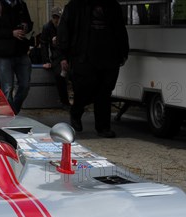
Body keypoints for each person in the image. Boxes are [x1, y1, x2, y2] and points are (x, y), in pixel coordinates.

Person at [57, 0, 129, 138]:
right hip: (83, 57)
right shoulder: (75, 6)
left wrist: (123, 52)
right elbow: (64, 30)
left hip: (109, 56)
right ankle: (76, 112)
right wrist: (62, 56)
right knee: (84, 88)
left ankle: (103, 127)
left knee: (105, 92)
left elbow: (120, 29)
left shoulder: (112, 6)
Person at [0, 0, 34, 115]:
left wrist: (26, 27)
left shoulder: (21, 5)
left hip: (21, 52)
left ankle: (13, 111)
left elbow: (29, 23)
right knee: (7, 88)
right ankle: (9, 116)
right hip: (4, 54)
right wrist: (11, 33)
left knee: (25, 85)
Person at [41, 6, 70, 110]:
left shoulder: (65, 26)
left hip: (66, 54)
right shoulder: (47, 27)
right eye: (54, 17)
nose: (56, 20)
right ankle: (65, 102)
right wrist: (46, 60)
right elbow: (44, 44)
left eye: (58, 17)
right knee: (59, 76)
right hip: (56, 56)